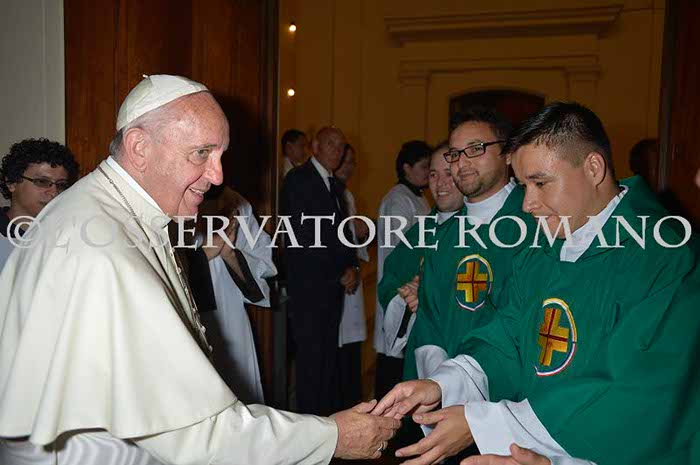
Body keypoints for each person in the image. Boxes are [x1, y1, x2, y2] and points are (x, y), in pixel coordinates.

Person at [0, 74, 399, 465]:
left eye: (220, 155)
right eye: (201, 153)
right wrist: (332, 436)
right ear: (139, 147)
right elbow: (198, 434)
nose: (218, 175)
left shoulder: (111, 212)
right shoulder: (104, 252)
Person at [373, 102, 698, 465]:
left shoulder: (666, 257)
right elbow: (507, 338)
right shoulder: (543, 248)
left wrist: (491, 424)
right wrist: (444, 383)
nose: (527, 203)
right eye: (524, 185)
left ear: (593, 168)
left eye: (540, 183)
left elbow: (640, 394)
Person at [402, 107, 532, 388]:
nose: (461, 163)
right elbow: (430, 322)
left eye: (475, 149)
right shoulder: (443, 237)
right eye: (454, 153)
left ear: (508, 154)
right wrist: (443, 387)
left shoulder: (536, 222)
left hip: (513, 392)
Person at [281, 126, 360, 416]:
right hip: (310, 288)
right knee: (311, 365)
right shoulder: (299, 179)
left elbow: (342, 233)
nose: (337, 151)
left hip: (330, 290)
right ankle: (310, 428)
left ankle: (326, 424)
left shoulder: (334, 184)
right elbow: (301, 237)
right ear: (315, 146)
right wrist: (337, 271)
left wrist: (351, 265)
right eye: (330, 144)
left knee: (326, 362)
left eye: (341, 146)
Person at [377, 143, 464, 359]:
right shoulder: (418, 233)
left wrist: (429, 293)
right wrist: (405, 299)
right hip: (423, 350)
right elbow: (391, 281)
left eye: (449, 173)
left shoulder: (487, 229)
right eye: (433, 174)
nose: (440, 183)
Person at [191, 186, 274, 404]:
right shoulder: (166, 197)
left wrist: (230, 255)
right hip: (187, 321)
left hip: (231, 318)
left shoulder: (237, 204)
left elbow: (263, 263)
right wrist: (204, 254)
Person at [374, 140, 431, 399]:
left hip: (414, 289)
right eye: (424, 167)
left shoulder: (419, 198)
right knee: (392, 362)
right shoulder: (397, 199)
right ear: (407, 168)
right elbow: (397, 249)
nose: (428, 173)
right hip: (400, 288)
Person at [0, 138, 78, 268]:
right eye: (42, 182)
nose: (54, 192)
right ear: (11, 183)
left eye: (61, 185)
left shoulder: (71, 235)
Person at [334, 144, 369, 409]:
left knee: (350, 353)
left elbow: (355, 243)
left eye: (352, 162)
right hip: (334, 282)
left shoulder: (346, 194)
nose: (349, 167)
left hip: (351, 277)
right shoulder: (328, 194)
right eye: (344, 161)